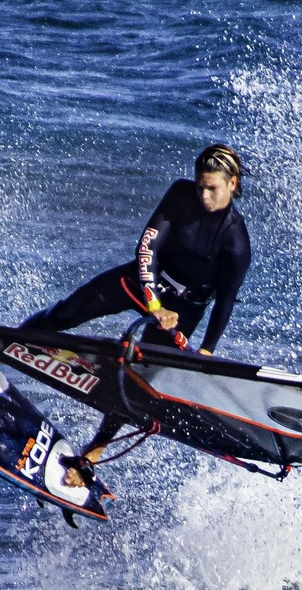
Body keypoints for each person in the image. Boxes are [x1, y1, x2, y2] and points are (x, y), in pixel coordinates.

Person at [19, 143, 250, 479]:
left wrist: (206, 352)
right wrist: (154, 303)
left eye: (212, 188)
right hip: (144, 281)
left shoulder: (236, 242)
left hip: (183, 310)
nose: (203, 195)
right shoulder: (181, 194)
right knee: (65, 313)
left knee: (135, 382)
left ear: (232, 184)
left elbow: (225, 301)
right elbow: (148, 245)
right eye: (200, 185)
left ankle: (92, 454)